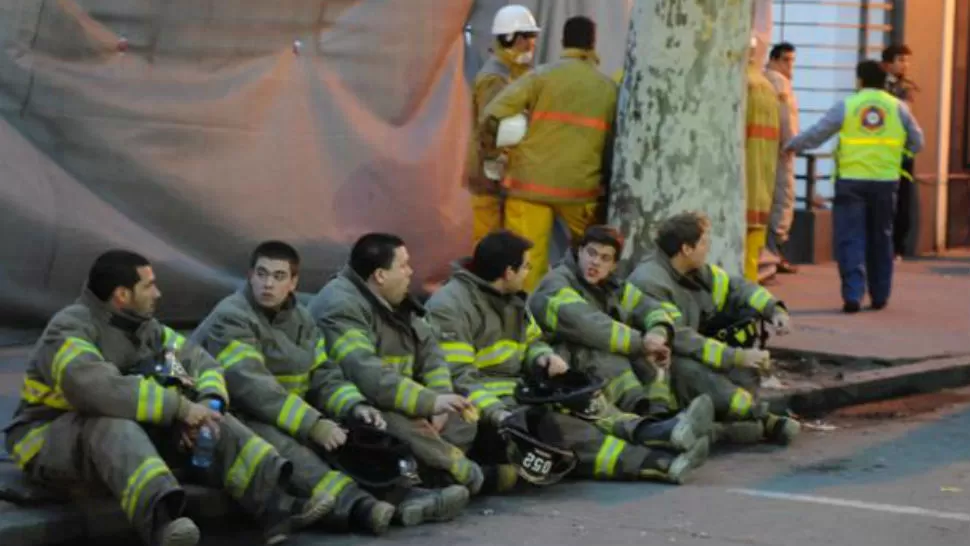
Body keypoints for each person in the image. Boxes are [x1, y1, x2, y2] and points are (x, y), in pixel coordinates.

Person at [3, 250, 332, 546]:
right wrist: (180, 408)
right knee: (112, 425)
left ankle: (277, 509)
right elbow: (101, 391)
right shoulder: (69, 330)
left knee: (216, 423)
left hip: (127, 432)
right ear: (122, 295)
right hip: (48, 441)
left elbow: (201, 362)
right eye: (148, 286)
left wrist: (207, 404)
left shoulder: (146, 328)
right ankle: (164, 524)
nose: (157, 293)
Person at [191, 241, 468, 536]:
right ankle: (359, 508)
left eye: (278, 276)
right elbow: (255, 389)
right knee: (294, 451)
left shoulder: (302, 319)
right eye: (261, 274)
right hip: (238, 416)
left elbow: (325, 376)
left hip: (291, 412)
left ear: (294, 282)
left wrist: (354, 406)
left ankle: (403, 495)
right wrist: (314, 425)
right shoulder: (232, 316)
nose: (268, 284)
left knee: (359, 429)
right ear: (250, 276)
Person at [425, 231, 711, 484]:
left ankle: (659, 434)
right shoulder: (450, 306)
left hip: (522, 392)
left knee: (582, 403)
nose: (529, 273)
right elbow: (459, 378)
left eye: (605, 257)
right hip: (490, 412)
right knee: (568, 431)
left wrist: (543, 359)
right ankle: (658, 462)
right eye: (525, 267)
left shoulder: (511, 299)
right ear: (508, 272)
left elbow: (532, 342)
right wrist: (500, 414)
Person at [308, 233, 491, 496]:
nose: (411, 272)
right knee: (395, 424)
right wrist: (429, 402)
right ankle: (460, 475)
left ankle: (435, 477)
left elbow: (431, 351)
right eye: (404, 265)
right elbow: (367, 374)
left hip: (408, 400)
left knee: (461, 415)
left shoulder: (395, 300)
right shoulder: (340, 306)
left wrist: (439, 395)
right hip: (364, 407)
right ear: (380, 275)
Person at [626, 212, 801, 446]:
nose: (708, 248)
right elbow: (681, 338)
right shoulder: (650, 281)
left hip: (687, 353)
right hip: (657, 364)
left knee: (740, 372)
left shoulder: (693, 270)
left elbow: (735, 287)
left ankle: (725, 426)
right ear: (686, 249)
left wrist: (773, 310)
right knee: (692, 370)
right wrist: (737, 357)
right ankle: (761, 417)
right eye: (704, 243)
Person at [481, 16, 617, 292]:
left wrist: (497, 153)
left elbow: (493, 114)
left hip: (528, 184)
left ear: (562, 42)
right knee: (595, 261)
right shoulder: (608, 88)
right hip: (580, 190)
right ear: (593, 44)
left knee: (523, 263)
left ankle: (526, 322)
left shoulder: (540, 76)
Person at [785, 60, 924, 312]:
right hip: (885, 182)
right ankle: (880, 295)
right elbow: (917, 141)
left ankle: (853, 295)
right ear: (885, 82)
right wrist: (900, 156)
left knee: (850, 238)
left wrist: (794, 144)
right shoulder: (899, 108)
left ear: (859, 81)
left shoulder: (848, 105)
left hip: (851, 181)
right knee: (881, 238)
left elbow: (819, 132)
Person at [465, 5, 540, 246]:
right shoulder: (495, 77)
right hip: (491, 175)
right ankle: (481, 283)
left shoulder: (513, 73)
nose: (533, 44)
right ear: (514, 38)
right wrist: (493, 163)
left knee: (503, 243)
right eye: (529, 37)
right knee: (488, 243)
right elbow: (491, 125)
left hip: (503, 172)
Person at [744, 37, 782, 283]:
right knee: (751, 260)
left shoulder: (737, 84)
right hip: (761, 189)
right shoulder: (768, 87)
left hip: (738, 189)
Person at [764, 42, 800, 275]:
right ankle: (775, 252)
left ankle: (769, 252)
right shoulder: (780, 83)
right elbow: (786, 118)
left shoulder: (760, 78)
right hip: (781, 150)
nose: (790, 66)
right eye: (787, 60)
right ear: (775, 59)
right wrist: (792, 143)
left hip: (764, 149)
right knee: (783, 197)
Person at [881, 44, 919, 261]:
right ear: (888, 63)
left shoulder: (907, 88)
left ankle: (898, 246)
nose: (905, 65)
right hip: (882, 152)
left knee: (903, 198)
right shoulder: (879, 86)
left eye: (907, 60)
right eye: (901, 60)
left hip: (902, 151)